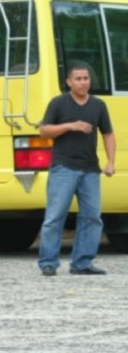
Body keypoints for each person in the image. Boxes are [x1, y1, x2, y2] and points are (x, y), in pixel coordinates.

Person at [37, 63, 115, 276]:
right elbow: (44, 131)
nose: (83, 82)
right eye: (78, 79)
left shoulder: (98, 105)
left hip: (90, 169)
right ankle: (48, 263)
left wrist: (110, 161)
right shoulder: (59, 103)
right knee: (55, 215)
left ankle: (82, 263)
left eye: (86, 78)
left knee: (92, 217)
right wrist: (71, 126)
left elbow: (108, 133)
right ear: (69, 82)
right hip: (63, 167)